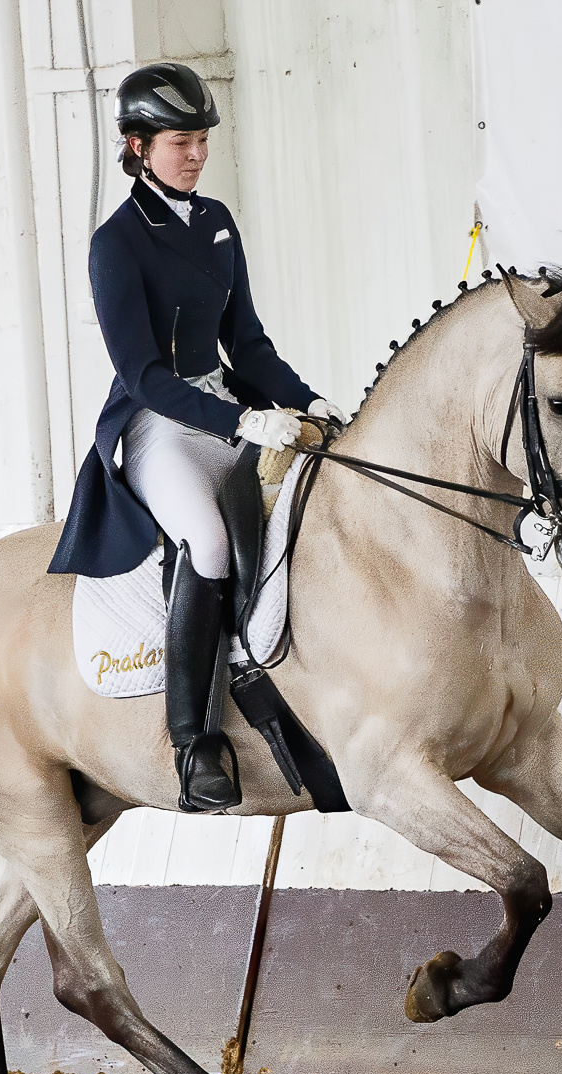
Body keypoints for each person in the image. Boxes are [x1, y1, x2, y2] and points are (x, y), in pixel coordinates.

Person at [47, 61, 341, 814]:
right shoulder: (116, 244)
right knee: (208, 542)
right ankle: (194, 742)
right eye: (182, 141)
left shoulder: (216, 223)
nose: (198, 154)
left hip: (227, 405)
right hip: (159, 426)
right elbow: (143, 373)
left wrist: (311, 401)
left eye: (203, 139)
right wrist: (242, 421)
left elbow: (249, 345)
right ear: (138, 146)